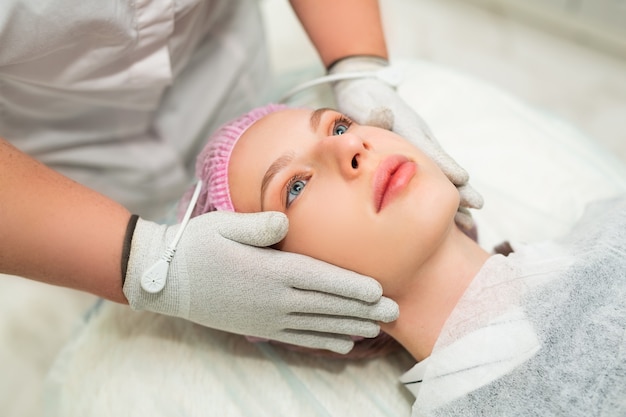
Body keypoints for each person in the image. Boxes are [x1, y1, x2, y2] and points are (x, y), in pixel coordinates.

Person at [186, 103, 626, 416]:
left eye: (339, 126)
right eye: (294, 188)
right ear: (286, 287)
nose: (349, 147)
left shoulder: (611, 226)